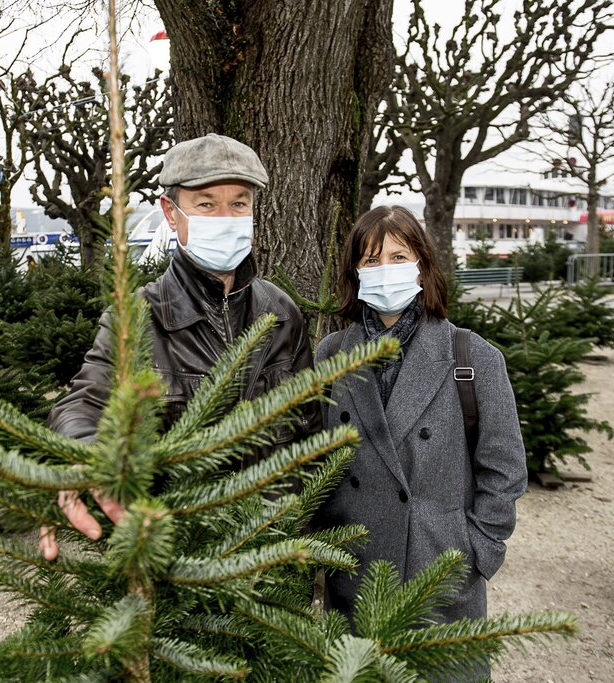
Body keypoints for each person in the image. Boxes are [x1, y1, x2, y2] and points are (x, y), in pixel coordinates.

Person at [40, 133, 315, 559]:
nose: (226, 216)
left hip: (273, 560)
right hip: (176, 565)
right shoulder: (137, 318)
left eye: (239, 203)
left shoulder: (282, 314)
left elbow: (308, 434)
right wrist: (88, 459)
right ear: (172, 213)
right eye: (206, 204)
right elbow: (82, 404)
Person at [313, 206, 527, 646]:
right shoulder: (330, 355)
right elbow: (314, 462)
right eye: (371, 260)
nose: (384, 269)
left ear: (422, 267)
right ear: (355, 272)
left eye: (398, 256)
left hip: (440, 570)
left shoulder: (472, 356)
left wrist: (478, 551)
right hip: (354, 568)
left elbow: (505, 468)